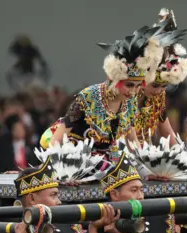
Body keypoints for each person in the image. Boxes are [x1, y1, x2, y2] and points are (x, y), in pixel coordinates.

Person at [42, 24, 166, 159]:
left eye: (138, 86)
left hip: (101, 158)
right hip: (68, 154)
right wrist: (60, 167)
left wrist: (148, 168)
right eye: (129, 85)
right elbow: (57, 138)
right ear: (115, 79)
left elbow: (132, 142)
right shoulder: (88, 97)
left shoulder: (129, 103)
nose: (133, 92)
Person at [135, 8, 187, 145]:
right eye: (155, 85)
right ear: (143, 78)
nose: (158, 91)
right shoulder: (127, 97)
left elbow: (167, 133)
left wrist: (183, 159)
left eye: (164, 86)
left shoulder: (157, 99)